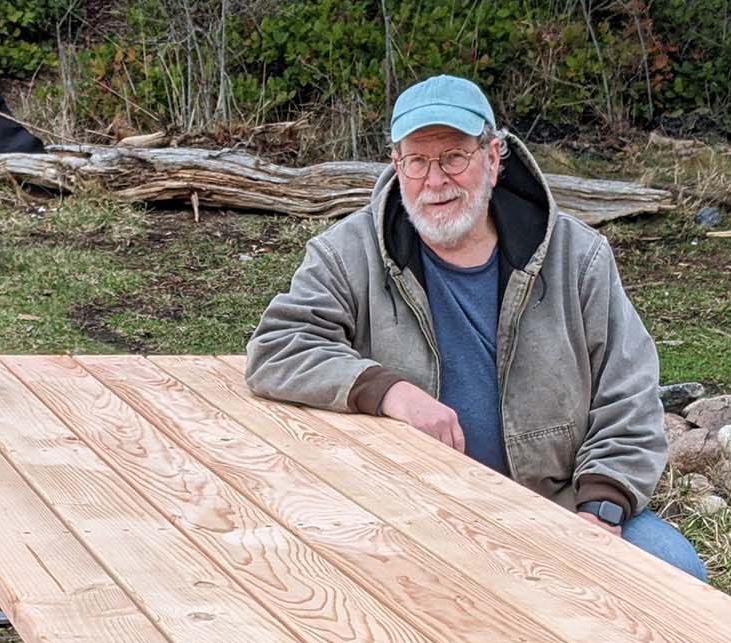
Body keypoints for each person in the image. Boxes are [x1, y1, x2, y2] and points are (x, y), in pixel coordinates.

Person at [246, 75, 704, 580]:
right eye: (416, 161)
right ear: (396, 166)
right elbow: (278, 346)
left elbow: (630, 397)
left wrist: (601, 509)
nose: (435, 181)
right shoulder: (347, 251)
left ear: (492, 157)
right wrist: (390, 391)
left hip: (554, 501)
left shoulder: (579, 257)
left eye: (453, 158)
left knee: (678, 572)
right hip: (410, 511)